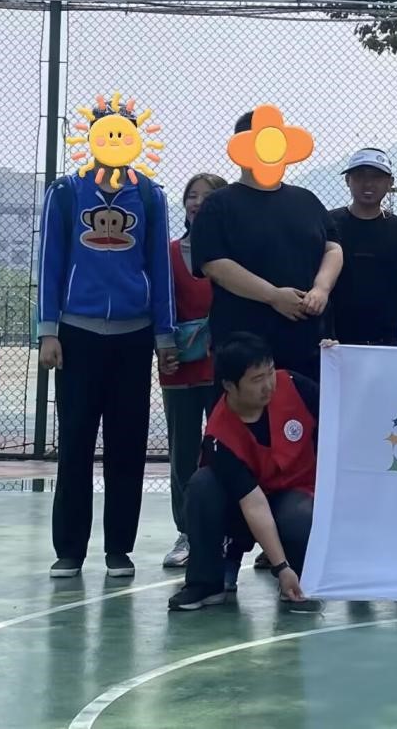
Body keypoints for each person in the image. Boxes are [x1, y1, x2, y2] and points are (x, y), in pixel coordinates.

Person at [38, 102, 178, 578]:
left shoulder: (151, 196)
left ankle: (119, 548)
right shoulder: (65, 191)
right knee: (75, 442)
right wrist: (48, 331)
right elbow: (50, 261)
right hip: (77, 335)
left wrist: (164, 335)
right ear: (91, 135)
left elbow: (160, 268)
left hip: (133, 339)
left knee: (127, 444)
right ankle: (69, 550)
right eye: (105, 131)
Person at [168, 333, 319, 611]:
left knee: (300, 516)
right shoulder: (219, 435)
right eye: (257, 379)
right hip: (246, 505)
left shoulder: (295, 385)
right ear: (229, 385)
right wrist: (280, 566)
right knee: (202, 485)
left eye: (270, 372)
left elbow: (341, 408)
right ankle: (206, 582)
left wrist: (336, 358)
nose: (269, 385)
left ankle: (299, 576)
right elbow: (254, 503)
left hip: (295, 494)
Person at [189, 110, 343, 382]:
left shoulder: (306, 200)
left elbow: (333, 247)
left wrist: (321, 288)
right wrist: (273, 295)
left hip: (308, 344)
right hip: (245, 349)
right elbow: (214, 264)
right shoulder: (219, 204)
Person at [160, 173, 226, 568]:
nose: (197, 202)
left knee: (224, 449)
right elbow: (159, 305)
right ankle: (187, 531)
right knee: (183, 453)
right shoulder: (168, 253)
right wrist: (162, 346)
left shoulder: (235, 254)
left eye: (207, 196)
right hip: (179, 364)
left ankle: (225, 532)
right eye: (191, 195)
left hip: (222, 367)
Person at [329, 148, 397, 346]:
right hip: (335, 341)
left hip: (389, 340)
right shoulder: (329, 224)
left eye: (376, 177)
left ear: (390, 183)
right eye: (360, 176)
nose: (368, 184)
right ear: (347, 180)